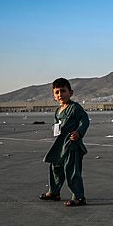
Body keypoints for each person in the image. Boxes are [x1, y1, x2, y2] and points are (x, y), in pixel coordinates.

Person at [40, 78, 90, 207]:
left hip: (72, 145)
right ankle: (54, 192)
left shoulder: (75, 108)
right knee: (55, 167)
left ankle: (79, 197)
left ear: (71, 92)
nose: (60, 95)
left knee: (72, 170)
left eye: (63, 91)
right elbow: (57, 125)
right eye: (57, 92)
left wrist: (79, 132)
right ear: (54, 95)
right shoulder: (58, 111)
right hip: (60, 145)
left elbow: (84, 120)